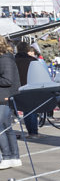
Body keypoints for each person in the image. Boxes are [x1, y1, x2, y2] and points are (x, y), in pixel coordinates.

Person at [0, 36, 22, 169]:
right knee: (6, 127)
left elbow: (8, 80)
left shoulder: (5, 59)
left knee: (2, 128)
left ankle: (8, 156)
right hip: (5, 96)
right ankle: (13, 156)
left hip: (4, 96)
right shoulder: (6, 58)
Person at [14, 42, 40, 139]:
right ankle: (33, 132)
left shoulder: (14, 61)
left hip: (18, 87)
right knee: (32, 110)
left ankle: (31, 131)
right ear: (27, 50)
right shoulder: (32, 60)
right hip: (30, 86)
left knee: (26, 110)